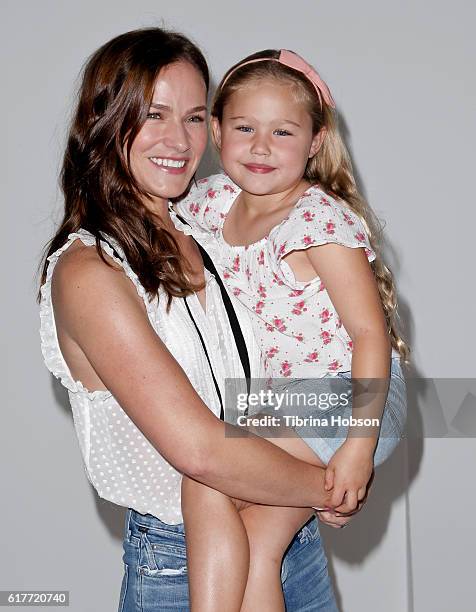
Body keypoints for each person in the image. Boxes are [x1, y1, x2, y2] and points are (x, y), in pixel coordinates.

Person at [39, 30, 355, 612]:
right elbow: (201, 451)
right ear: (106, 120)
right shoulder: (89, 270)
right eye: (154, 114)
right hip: (183, 564)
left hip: (288, 537)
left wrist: (351, 437)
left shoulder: (212, 225)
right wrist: (335, 483)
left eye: (192, 117)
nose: (177, 140)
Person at [174, 49, 409, 611]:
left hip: (343, 398)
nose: (260, 146)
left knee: (206, 476)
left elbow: (370, 336)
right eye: (244, 127)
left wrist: (357, 447)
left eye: (283, 131)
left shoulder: (316, 221)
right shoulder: (210, 202)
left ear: (315, 142)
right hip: (274, 402)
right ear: (215, 131)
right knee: (256, 546)